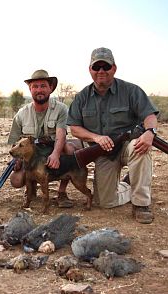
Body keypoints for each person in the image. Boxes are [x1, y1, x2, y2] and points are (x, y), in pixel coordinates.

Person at [67, 47, 159, 224]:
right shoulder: (81, 97)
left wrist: (149, 132)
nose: (101, 71)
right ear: (90, 70)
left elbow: (150, 115)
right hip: (103, 151)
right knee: (105, 202)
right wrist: (96, 138)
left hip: (126, 146)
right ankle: (129, 185)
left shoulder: (131, 90)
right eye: (97, 67)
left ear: (114, 68)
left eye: (106, 66)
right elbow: (75, 128)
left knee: (140, 147)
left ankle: (141, 204)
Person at [8, 69, 82, 208]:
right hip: (33, 155)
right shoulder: (22, 114)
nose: (39, 90)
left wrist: (55, 154)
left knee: (69, 149)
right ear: (30, 89)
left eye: (43, 86)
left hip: (53, 149)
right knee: (16, 180)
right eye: (35, 86)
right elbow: (14, 141)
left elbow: (61, 134)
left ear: (50, 88)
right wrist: (16, 159)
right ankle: (31, 190)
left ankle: (61, 192)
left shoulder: (61, 109)